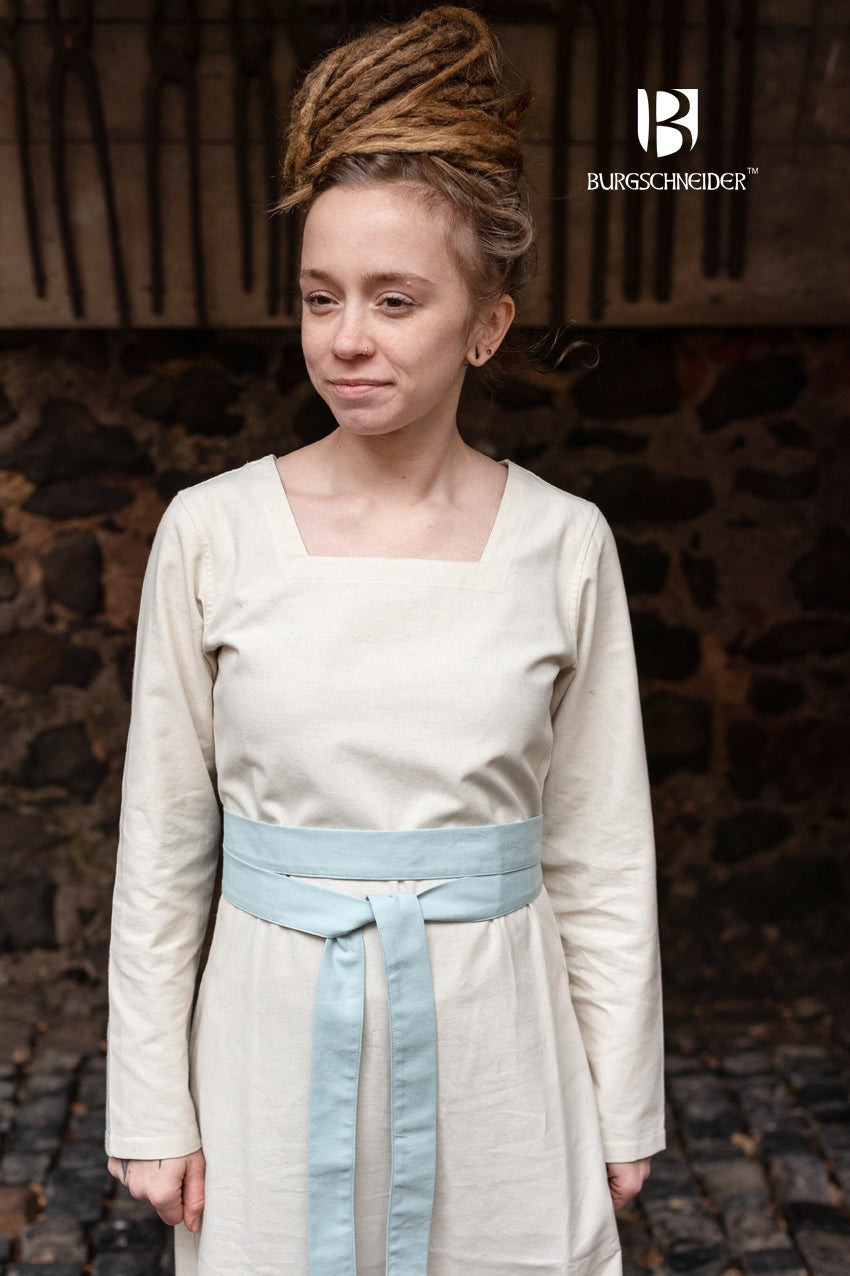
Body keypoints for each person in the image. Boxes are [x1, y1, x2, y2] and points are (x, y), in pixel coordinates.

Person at [105, 7, 665, 1274]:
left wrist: (623, 1097)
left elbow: (599, 848)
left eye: (394, 299)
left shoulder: (562, 542)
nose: (346, 336)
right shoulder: (213, 532)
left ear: (487, 324)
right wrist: (150, 1101)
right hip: (267, 1046)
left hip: (500, 1052)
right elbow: (165, 843)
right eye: (321, 297)